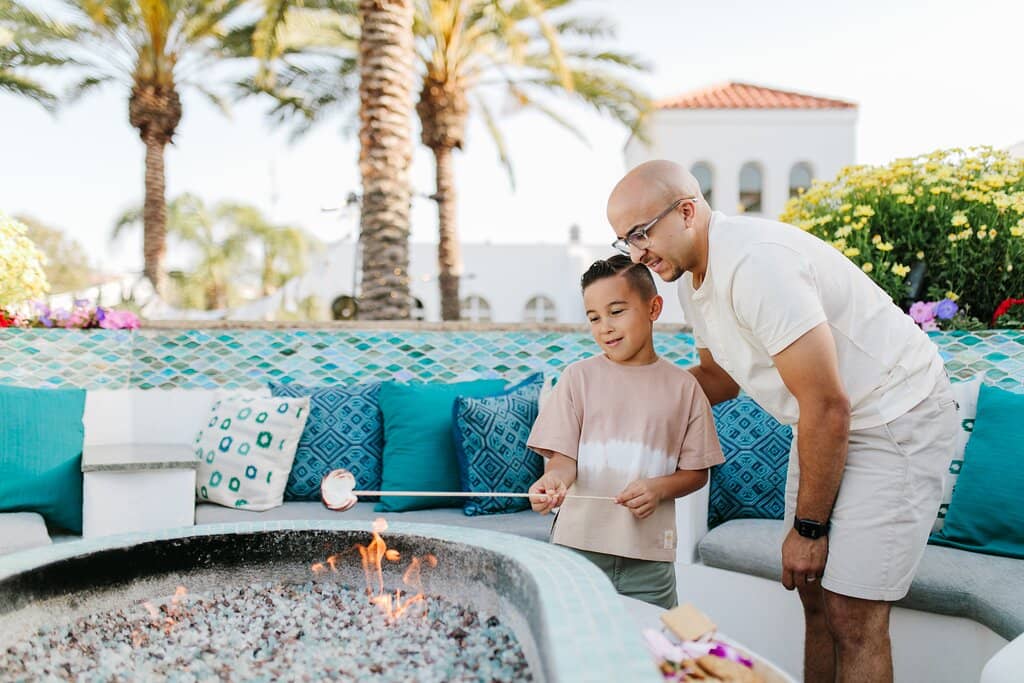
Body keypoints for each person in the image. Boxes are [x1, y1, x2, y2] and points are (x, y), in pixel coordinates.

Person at [605, 159, 958, 682]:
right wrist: (634, 394)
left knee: (853, 615)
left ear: (686, 212)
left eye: (640, 234)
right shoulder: (689, 282)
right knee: (813, 595)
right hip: (828, 421)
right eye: (623, 242)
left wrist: (808, 529)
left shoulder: (757, 266)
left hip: (894, 416)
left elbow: (827, 404)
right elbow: (718, 377)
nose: (636, 254)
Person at [526, 254, 724, 609]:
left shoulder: (685, 388)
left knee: (655, 651)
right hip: (578, 551)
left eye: (617, 312)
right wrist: (553, 481)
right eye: (594, 318)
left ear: (654, 307)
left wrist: (658, 488)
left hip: (649, 560)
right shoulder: (578, 378)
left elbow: (696, 473)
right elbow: (562, 460)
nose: (605, 327)